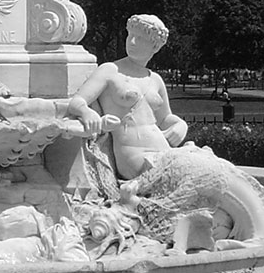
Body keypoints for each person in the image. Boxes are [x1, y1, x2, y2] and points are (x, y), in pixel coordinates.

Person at [67, 14, 188, 180]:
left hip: (163, 149)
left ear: (155, 46)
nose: (131, 42)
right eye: (130, 36)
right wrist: (89, 114)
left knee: (213, 170)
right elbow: (77, 102)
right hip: (135, 157)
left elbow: (165, 118)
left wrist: (180, 125)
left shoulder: (155, 79)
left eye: (139, 38)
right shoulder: (110, 70)